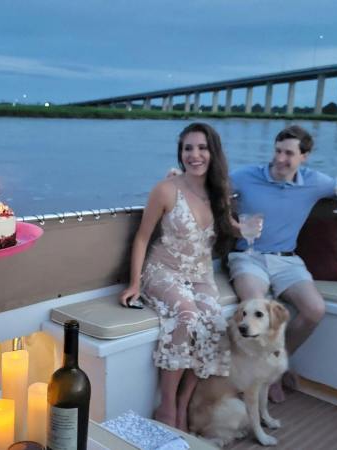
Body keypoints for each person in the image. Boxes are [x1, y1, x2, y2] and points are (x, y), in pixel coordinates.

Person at [227, 124, 337, 402]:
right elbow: (208, 188)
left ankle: (274, 370)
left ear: (305, 156)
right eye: (278, 151)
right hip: (249, 257)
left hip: (288, 261)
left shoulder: (315, 181)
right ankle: (256, 377)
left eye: (289, 153)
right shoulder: (245, 176)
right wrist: (179, 176)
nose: (280, 159)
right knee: (256, 307)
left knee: (315, 309)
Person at [120, 122, 233, 432]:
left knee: (214, 322)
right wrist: (134, 283)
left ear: (213, 152)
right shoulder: (166, 189)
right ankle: (167, 404)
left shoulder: (220, 191)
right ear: (180, 153)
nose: (194, 155)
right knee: (187, 315)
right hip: (162, 271)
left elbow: (231, 227)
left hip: (200, 275)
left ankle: (185, 401)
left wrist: (245, 229)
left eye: (201, 148)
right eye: (187, 148)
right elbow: (142, 238)